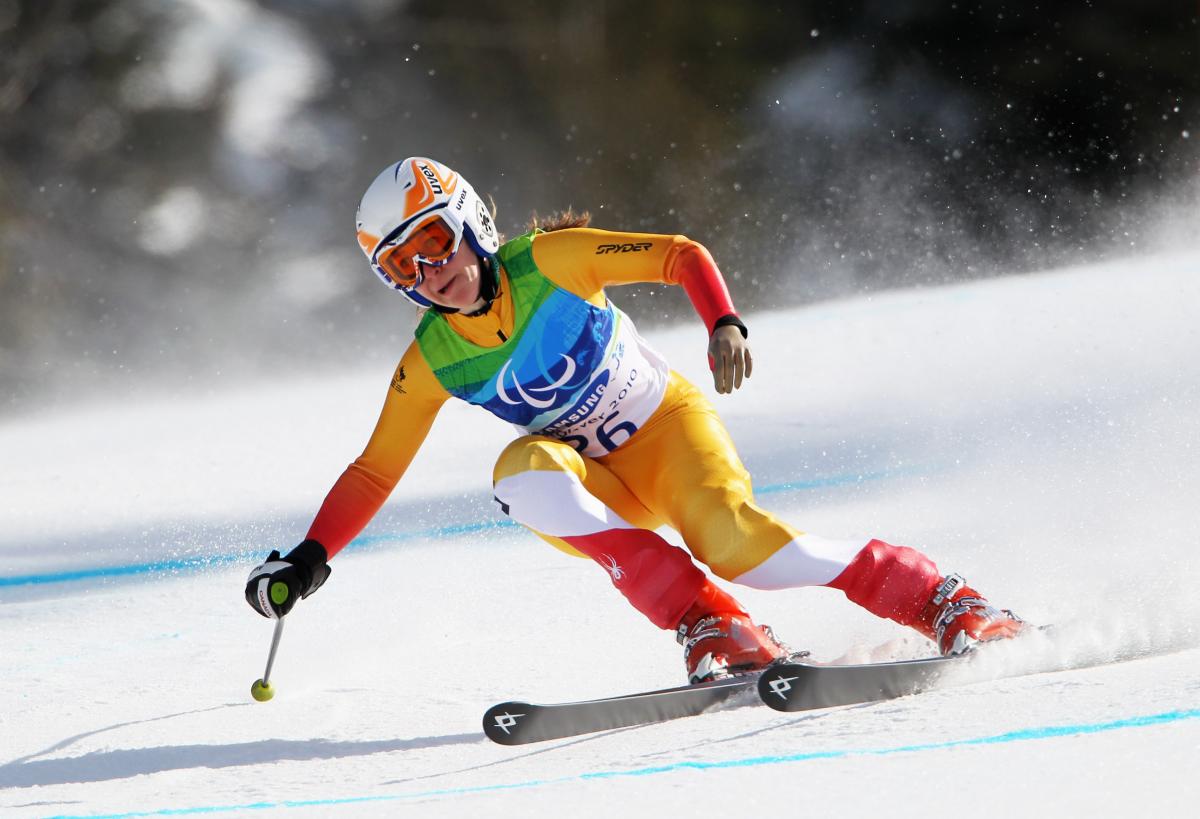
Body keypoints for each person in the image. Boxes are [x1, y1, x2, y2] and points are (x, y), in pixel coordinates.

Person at [245, 157, 1024, 684]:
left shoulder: (552, 259)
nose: (430, 272)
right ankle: (711, 624)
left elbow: (680, 253)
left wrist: (724, 321)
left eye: (435, 242)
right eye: (401, 268)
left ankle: (944, 599)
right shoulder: (434, 357)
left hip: (669, 436)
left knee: (737, 546)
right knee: (519, 477)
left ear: (472, 222)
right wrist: (310, 558)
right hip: (599, 478)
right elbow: (375, 469)